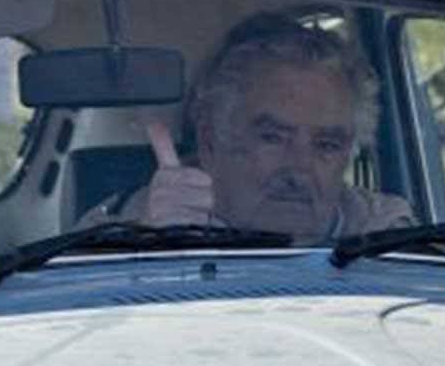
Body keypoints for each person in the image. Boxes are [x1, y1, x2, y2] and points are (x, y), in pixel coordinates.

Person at [106, 13, 412, 244]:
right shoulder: (127, 224)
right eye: (274, 138)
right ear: (210, 141)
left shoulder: (384, 232)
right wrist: (149, 250)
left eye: (327, 145)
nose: (300, 168)